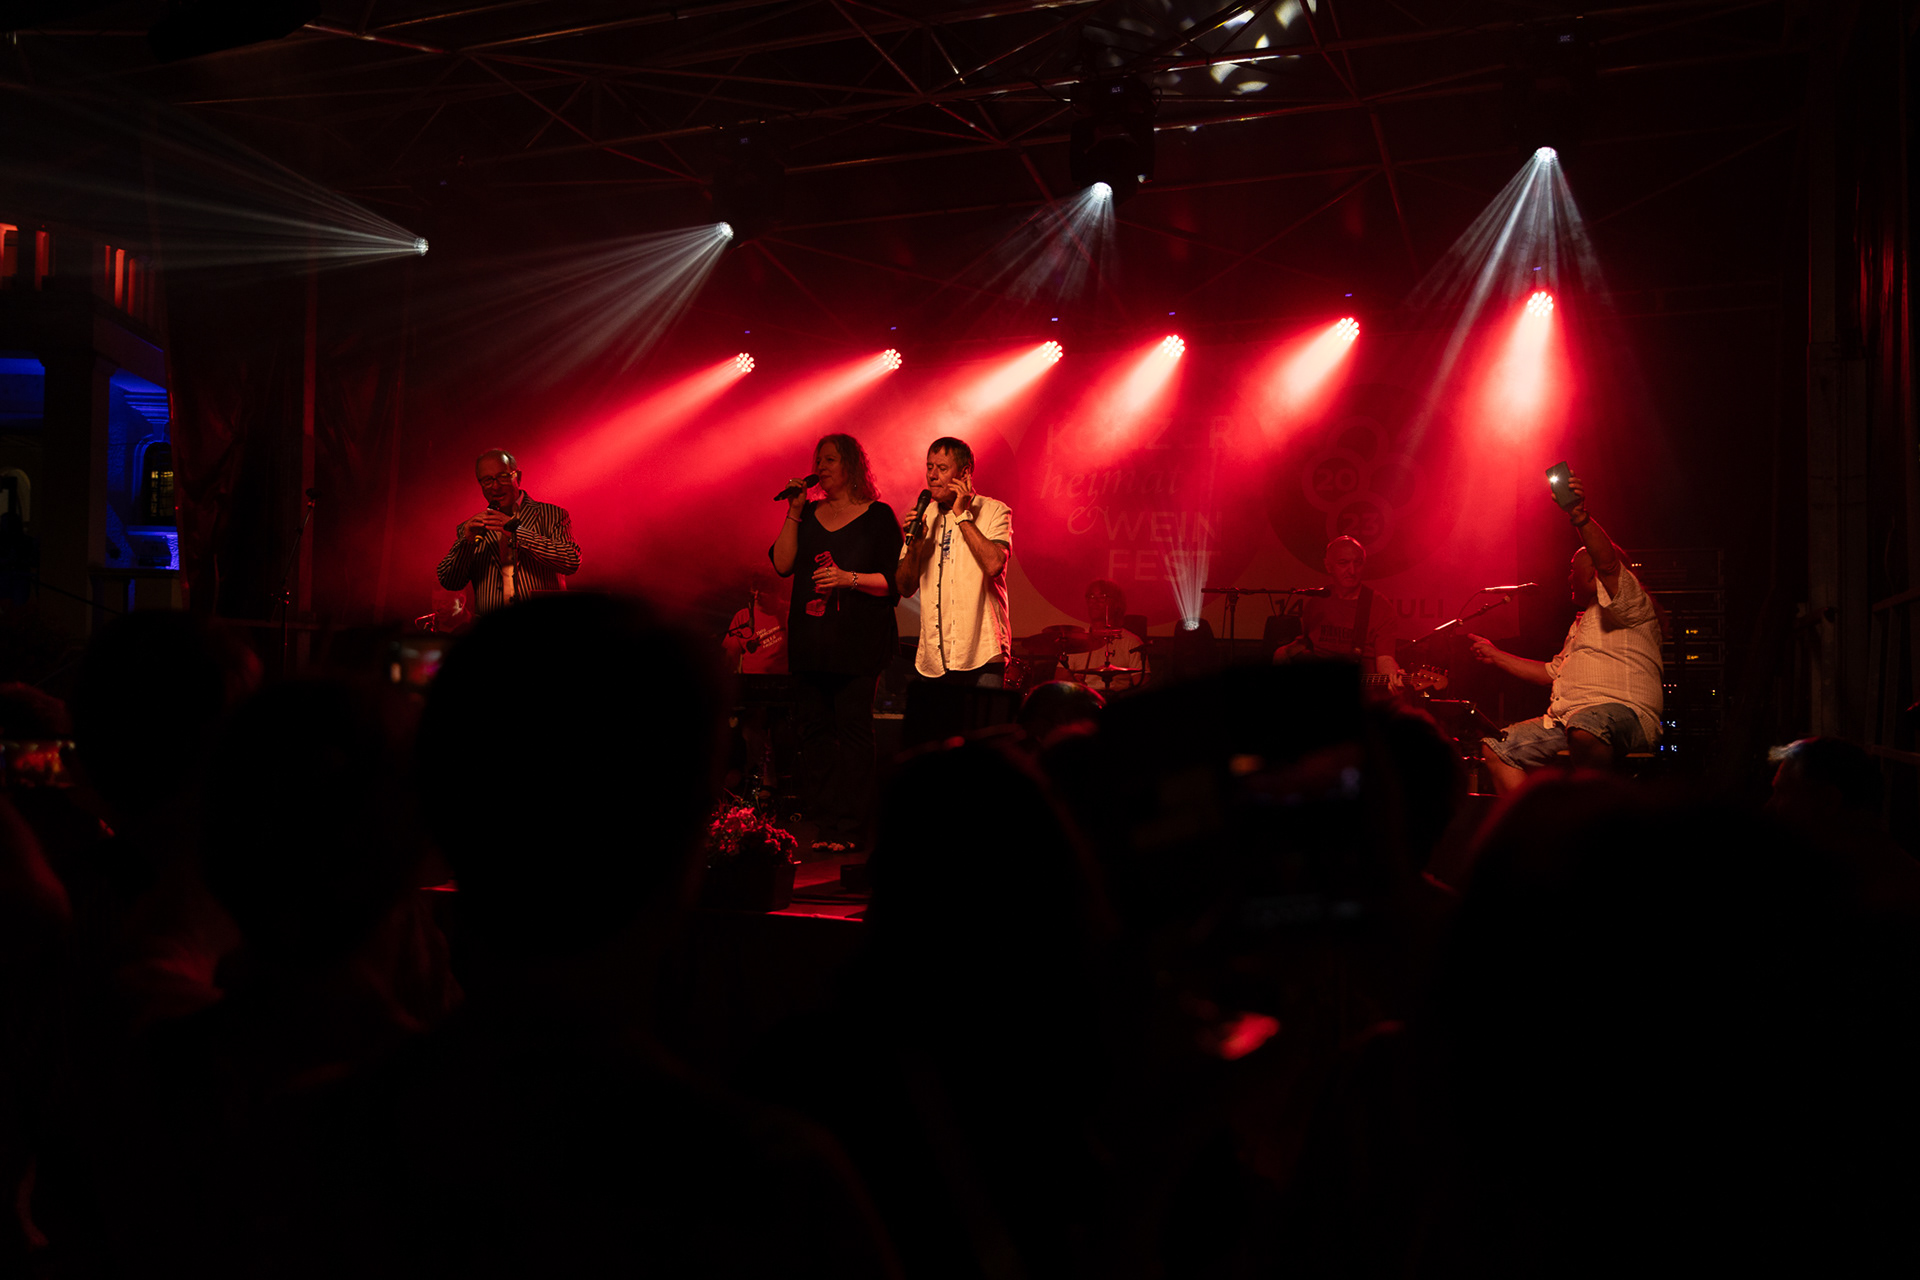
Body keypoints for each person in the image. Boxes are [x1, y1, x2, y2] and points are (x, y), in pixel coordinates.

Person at [1469, 472, 1662, 792]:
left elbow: (1609, 564)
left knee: (1585, 726)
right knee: (1497, 747)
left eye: (1573, 569)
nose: (1568, 577)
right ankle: (1531, 820)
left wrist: (1578, 515)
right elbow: (1551, 672)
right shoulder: (1581, 624)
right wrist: (1495, 655)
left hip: (1624, 716)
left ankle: (1591, 810)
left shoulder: (1630, 602)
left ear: (1593, 573)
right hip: (1571, 722)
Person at [770, 435, 900, 854]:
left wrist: (849, 579)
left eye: (829, 460)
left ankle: (854, 825)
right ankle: (825, 822)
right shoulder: (807, 514)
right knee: (815, 734)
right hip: (812, 643)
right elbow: (782, 564)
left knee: (854, 732)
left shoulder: (878, 516)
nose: (820, 468)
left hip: (857, 643)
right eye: (817, 461)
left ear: (851, 465)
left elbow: (895, 582)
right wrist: (794, 511)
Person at [895, 436, 1012, 685]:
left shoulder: (995, 510)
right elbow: (904, 588)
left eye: (942, 468)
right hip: (934, 661)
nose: (932, 475)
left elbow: (994, 565)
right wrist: (915, 547)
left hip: (983, 654)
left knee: (983, 714)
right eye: (929, 467)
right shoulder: (923, 516)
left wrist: (962, 514)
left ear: (964, 473)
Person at [435, 449, 580, 617]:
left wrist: (516, 532)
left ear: (518, 477)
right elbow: (450, 582)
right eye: (487, 480)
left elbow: (571, 561)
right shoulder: (471, 528)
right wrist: (466, 542)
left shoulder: (552, 515)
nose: (496, 486)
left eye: (503, 476)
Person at [1272, 535, 1403, 691]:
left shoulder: (1380, 606)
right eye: (1343, 563)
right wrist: (1284, 652)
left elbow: (1385, 658)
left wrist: (1392, 676)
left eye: (1357, 563)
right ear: (1329, 566)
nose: (1352, 571)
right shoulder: (1318, 600)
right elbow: (1308, 642)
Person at [1068, 579, 1146, 693]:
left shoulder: (1131, 643)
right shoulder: (1077, 640)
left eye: (1102, 597)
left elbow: (1142, 686)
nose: (1095, 602)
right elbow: (1059, 679)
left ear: (1116, 603)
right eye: (1091, 597)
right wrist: (1073, 684)